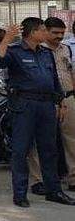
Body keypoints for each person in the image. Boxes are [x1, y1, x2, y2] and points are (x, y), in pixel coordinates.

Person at [0, 18, 75, 207]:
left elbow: (54, 79)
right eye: (43, 29)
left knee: (49, 150)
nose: (45, 33)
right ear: (32, 32)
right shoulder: (15, 51)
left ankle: (54, 191)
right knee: (21, 150)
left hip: (46, 105)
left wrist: (60, 102)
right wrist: (7, 39)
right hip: (24, 105)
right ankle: (20, 194)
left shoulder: (45, 53)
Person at [28, 17, 75, 194]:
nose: (59, 36)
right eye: (55, 33)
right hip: (45, 100)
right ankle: (38, 181)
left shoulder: (66, 49)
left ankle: (73, 178)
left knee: (72, 140)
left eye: (62, 33)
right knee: (40, 142)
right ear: (44, 31)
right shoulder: (37, 50)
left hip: (68, 98)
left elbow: (70, 72)